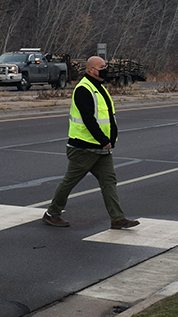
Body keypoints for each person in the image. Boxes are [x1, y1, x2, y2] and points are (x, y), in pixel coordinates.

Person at [43, 55, 139, 230]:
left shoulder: (99, 88)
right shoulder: (83, 89)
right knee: (69, 182)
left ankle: (118, 218)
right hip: (83, 148)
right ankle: (51, 214)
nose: (105, 69)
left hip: (101, 149)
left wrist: (109, 139)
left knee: (109, 182)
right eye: (101, 67)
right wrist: (104, 140)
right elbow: (88, 119)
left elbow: (107, 116)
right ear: (90, 70)